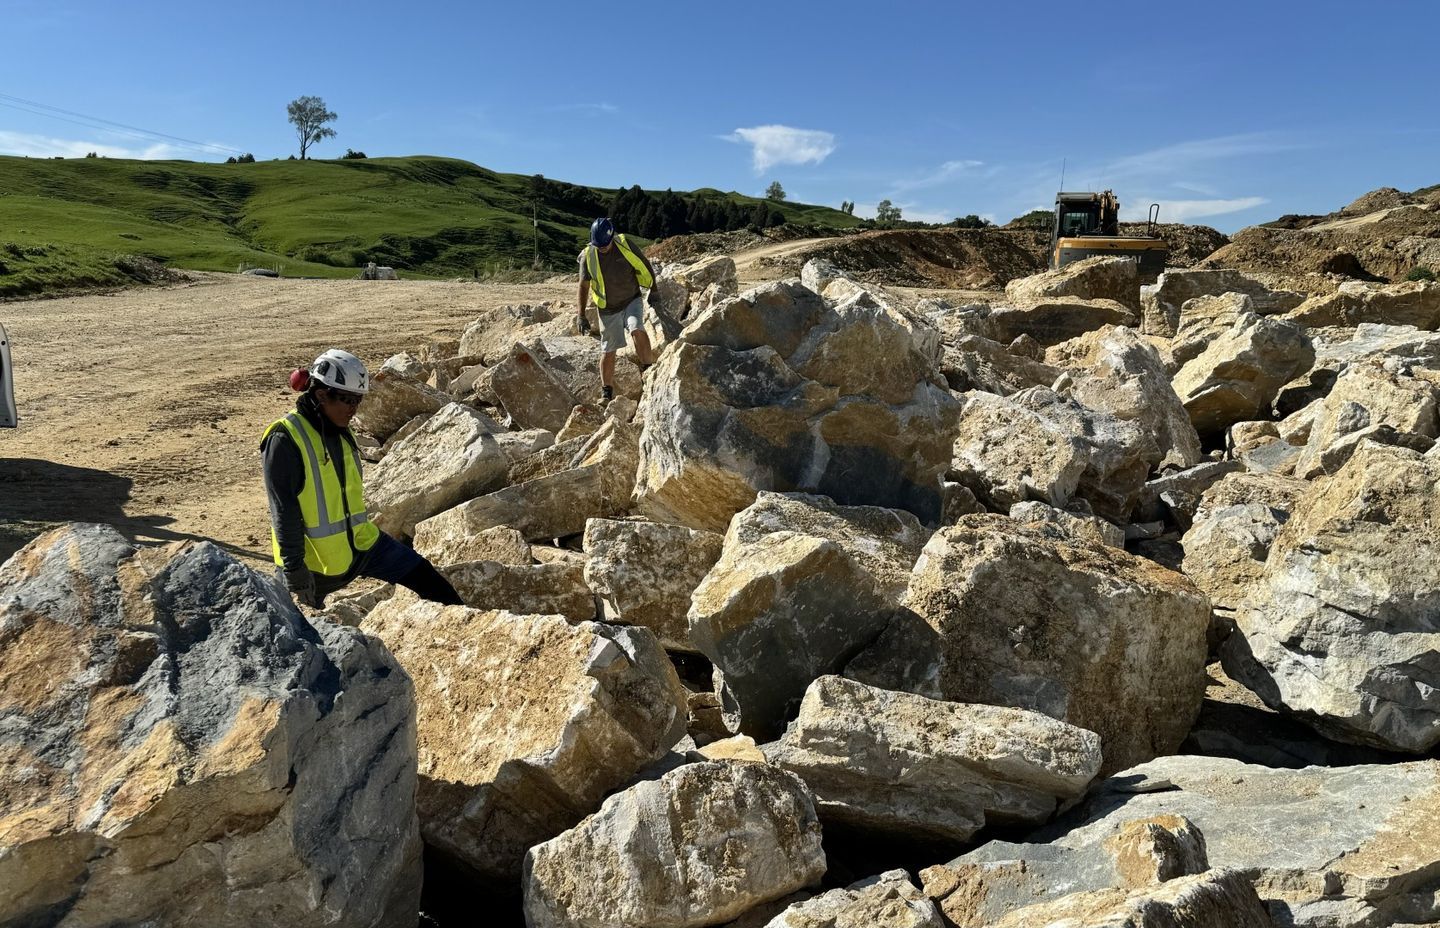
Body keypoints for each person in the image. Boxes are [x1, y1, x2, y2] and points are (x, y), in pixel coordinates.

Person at [261, 348, 463, 610]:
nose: (354, 409)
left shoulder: (339, 428)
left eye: (359, 400)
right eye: (348, 400)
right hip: (315, 566)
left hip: (362, 546)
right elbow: (284, 511)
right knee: (305, 637)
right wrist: (294, 571)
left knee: (428, 579)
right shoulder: (284, 439)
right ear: (322, 395)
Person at [576, 217, 658, 401]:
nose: (603, 248)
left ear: (611, 236)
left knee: (637, 329)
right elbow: (583, 286)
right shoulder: (588, 256)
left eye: (605, 244)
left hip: (632, 299)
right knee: (608, 349)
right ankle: (606, 392)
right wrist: (581, 315)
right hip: (608, 309)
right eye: (599, 245)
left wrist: (654, 290)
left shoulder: (625, 244)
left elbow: (644, 263)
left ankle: (649, 371)